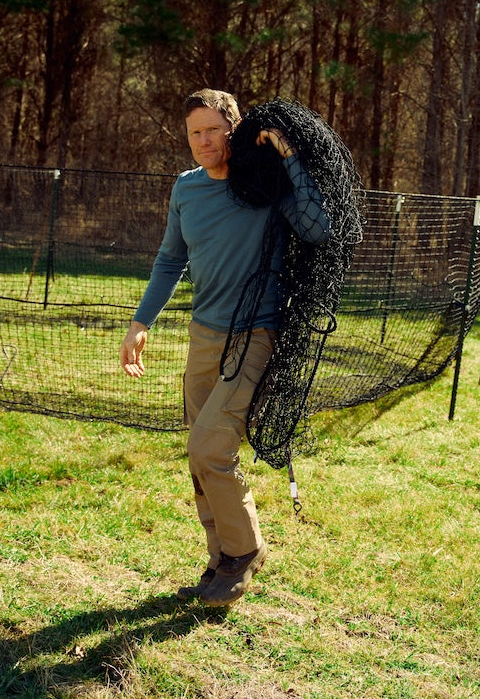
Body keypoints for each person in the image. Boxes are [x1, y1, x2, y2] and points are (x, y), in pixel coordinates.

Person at [120, 88, 332, 607]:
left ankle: (243, 552)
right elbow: (171, 260)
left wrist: (291, 158)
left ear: (232, 131)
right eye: (195, 131)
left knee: (209, 447)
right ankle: (219, 560)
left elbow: (318, 227)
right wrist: (141, 321)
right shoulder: (186, 189)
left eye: (213, 129)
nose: (203, 140)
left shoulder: (262, 184)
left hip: (255, 335)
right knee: (202, 457)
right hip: (203, 337)